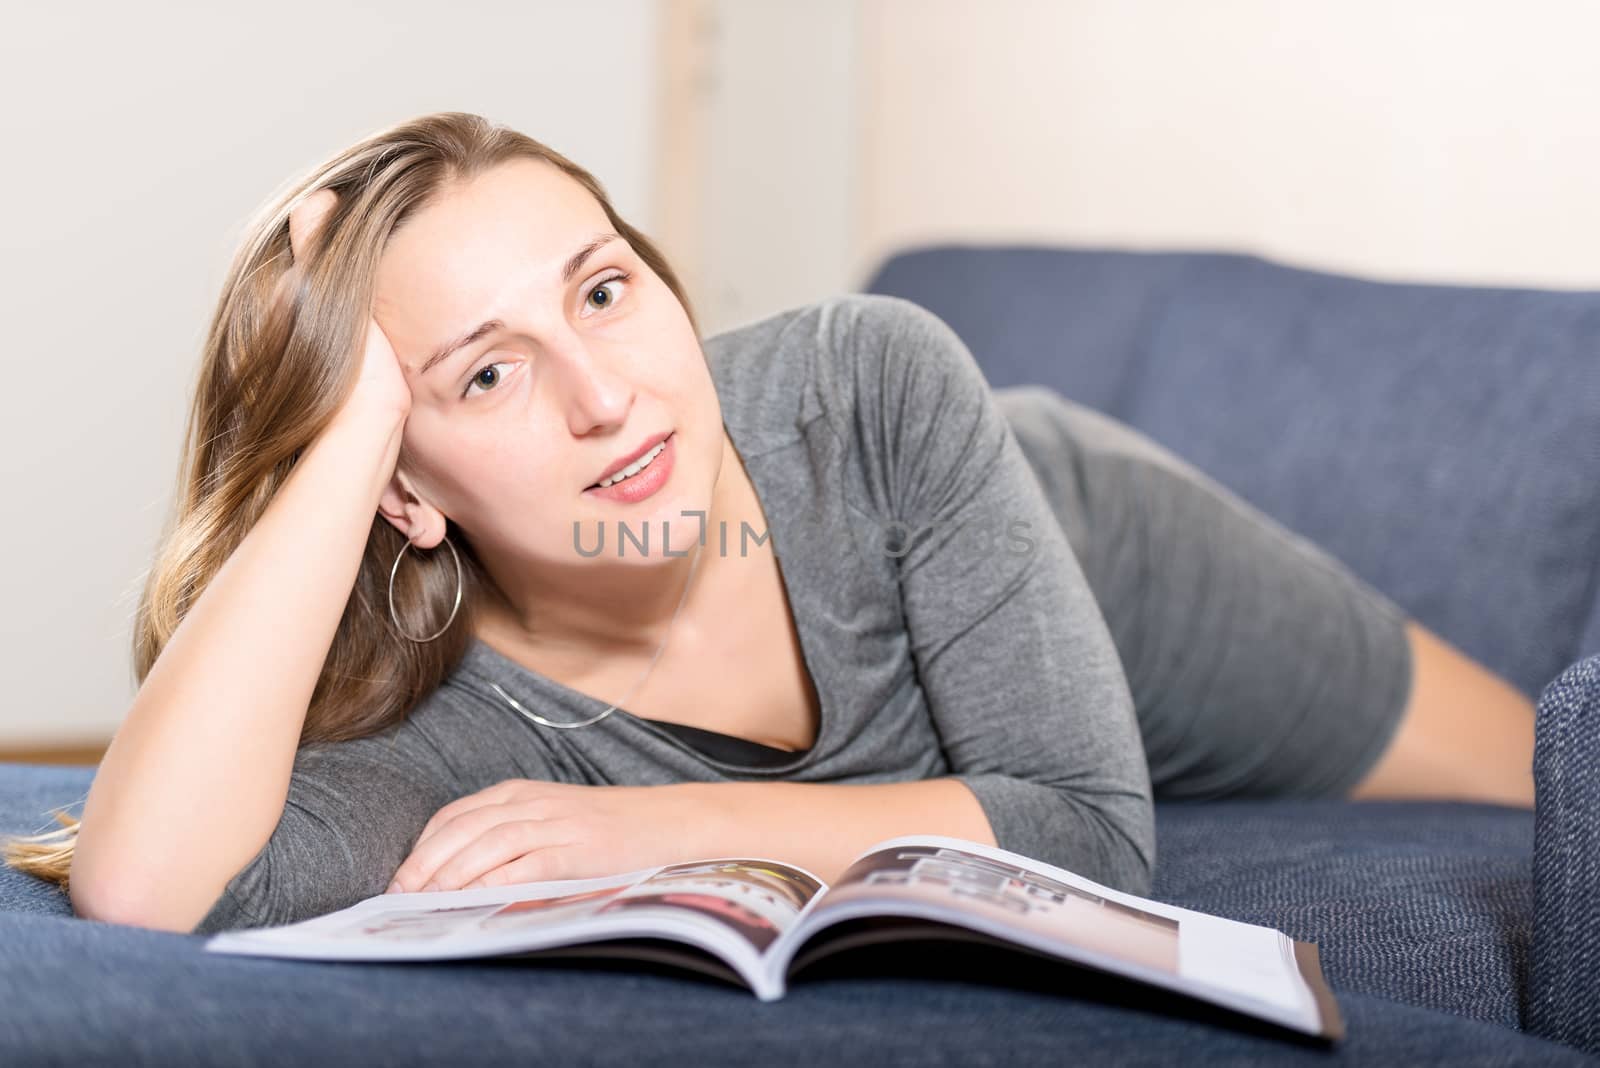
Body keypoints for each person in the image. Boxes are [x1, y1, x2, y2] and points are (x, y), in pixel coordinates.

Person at [1, 112, 1535, 936]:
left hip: (1115, 563)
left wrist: (656, 827)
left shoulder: (870, 379)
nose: (609, 396)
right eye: (485, 373)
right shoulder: (451, 723)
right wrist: (342, 438)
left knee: (1548, 780)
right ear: (408, 486)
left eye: (603, 289)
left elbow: (1087, 828)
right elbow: (147, 889)